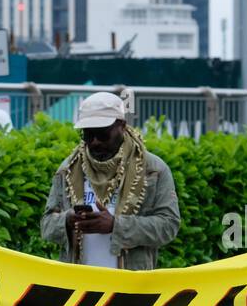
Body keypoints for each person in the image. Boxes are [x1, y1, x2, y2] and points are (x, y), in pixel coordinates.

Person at [40, 91, 180, 269]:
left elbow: (169, 225)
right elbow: (46, 225)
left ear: (122, 126)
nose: (95, 142)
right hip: (78, 285)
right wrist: (68, 220)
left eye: (103, 134)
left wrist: (116, 225)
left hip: (129, 287)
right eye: (88, 136)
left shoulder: (153, 169)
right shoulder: (68, 169)